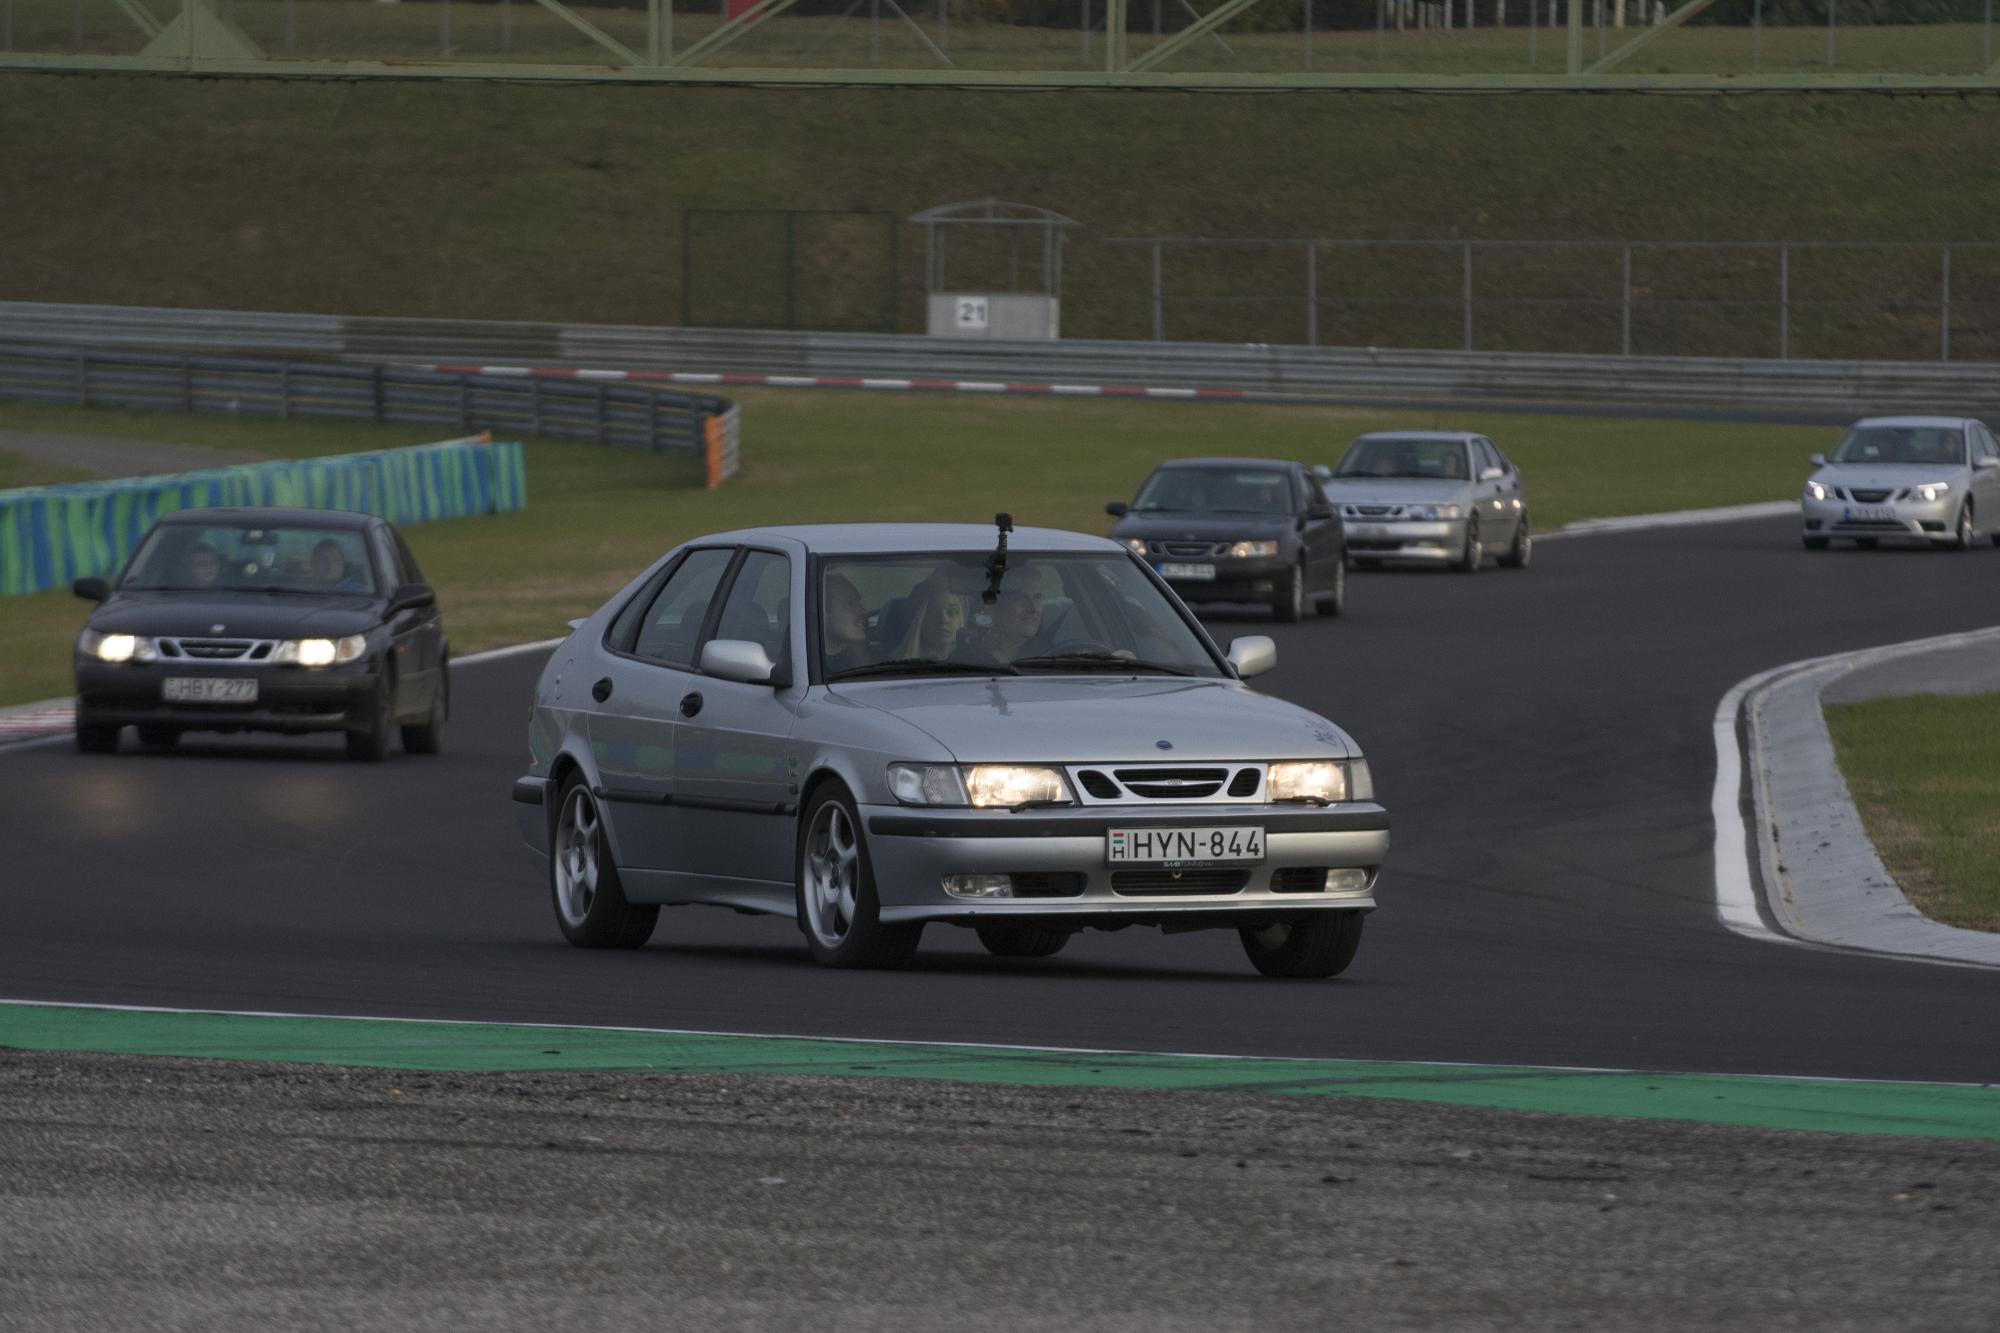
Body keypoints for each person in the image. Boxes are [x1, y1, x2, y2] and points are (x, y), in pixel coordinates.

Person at [893, 572, 964, 660]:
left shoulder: (974, 661)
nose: (943, 620)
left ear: (961, 618)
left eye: (951, 612)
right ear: (918, 619)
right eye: (933, 612)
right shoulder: (894, 664)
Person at [821, 574, 872, 676]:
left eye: (858, 602)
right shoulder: (803, 666)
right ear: (823, 613)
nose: (865, 611)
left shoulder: (878, 663)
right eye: (850, 604)